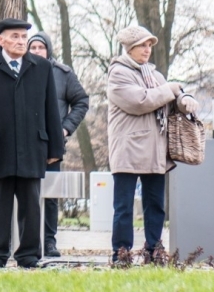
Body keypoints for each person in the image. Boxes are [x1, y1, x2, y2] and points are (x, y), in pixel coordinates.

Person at [0, 18, 65, 269]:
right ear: (0, 40)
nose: (21, 42)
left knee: (31, 205)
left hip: (32, 146)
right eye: (15, 36)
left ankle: (29, 256)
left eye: (23, 37)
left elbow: (51, 109)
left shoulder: (41, 67)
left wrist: (55, 148)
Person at [106, 24, 197, 264]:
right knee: (124, 208)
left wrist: (184, 98)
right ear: (129, 48)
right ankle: (121, 254)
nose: (147, 50)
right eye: (142, 45)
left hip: (156, 151)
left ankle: (154, 252)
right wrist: (170, 89)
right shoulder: (118, 73)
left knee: (155, 206)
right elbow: (140, 101)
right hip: (128, 150)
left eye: (149, 45)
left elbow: (172, 99)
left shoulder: (155, 75)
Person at [26, 32, 90, 257]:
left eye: (40, 47)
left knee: (50, 195)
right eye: (32, 47)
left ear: (48, 49)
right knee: (26, 194)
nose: (36, 51)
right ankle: (26, 241)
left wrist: (64, 129)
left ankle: (49, 241)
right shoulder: (19, 71)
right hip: (24, 144)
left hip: (51, 145)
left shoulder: (63, 73)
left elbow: (81, 101)